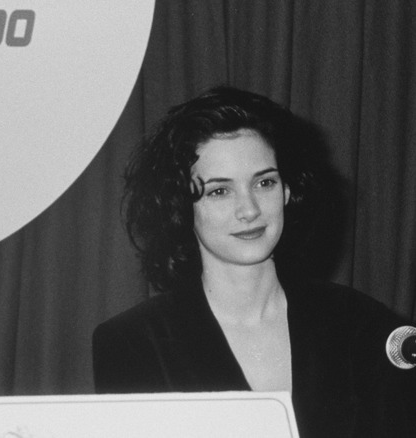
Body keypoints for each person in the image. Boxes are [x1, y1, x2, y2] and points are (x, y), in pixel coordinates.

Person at [92, 86, 416, 437]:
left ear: (288, 191)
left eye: (264, 183)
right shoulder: (132, 343)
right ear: (180, 207)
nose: (249, 210)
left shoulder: (361, 325)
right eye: (219, 191)